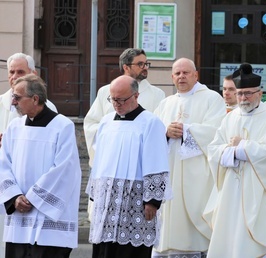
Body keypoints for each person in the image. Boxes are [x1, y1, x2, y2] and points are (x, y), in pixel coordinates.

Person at [206, 63, 266, 257]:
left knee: (250, 242)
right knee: (228, 238)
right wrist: (232, 152)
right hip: (230, 191)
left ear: (260, 93)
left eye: (248, 93)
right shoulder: (230, 118)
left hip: (259, 190)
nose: (243, 98)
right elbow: (213, 150)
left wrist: (242, 145)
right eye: (240, 93)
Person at [86, 75, 171, 258]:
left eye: (121, 99)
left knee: (130, 250)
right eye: (113, 99)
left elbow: (156, 160)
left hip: (136, 201)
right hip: (106, 199)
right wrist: (95, 193)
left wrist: (153, 201)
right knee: (104, 248)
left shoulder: (150, 122)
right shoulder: (106, 122)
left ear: (136, 96)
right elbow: (99, 159)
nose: (116, 104)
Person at [152, 58, 226, 258]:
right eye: (177, 73)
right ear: (172, 77)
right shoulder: (166, 103)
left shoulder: (212, 99)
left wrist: (187, 130)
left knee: (194, 212)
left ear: (196, 75)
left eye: (186, 72)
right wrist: (166, 133)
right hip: (169, 168)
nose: (181, 76)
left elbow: (217, 132)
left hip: (196, 173)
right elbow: (152, 133)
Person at [0, 74, 81, 258]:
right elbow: (3, 164)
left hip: (49, 221)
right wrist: (14, 197)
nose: (13, 102)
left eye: (17, 97)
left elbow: (64, 169)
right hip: (19, 217)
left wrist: (32, 199)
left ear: (35, 99)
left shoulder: (63, 126)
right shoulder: (14, 127)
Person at [84, 48, 165, 167]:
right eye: (140, 64)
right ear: (126, 67)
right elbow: (91, 123)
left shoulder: (157, 94)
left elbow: (160, 127)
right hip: (111, 158)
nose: (145, 67)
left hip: (139, 160)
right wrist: (113, 134)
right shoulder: (105, 91)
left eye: (146, 63)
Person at [1, 53, 58, 141]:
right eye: (12, 72)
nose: (14, 76)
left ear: (33, 74)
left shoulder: (47, 108)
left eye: (20, 72)